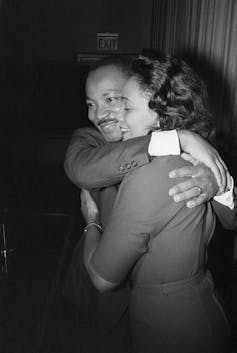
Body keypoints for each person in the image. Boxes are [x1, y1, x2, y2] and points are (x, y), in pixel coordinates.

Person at [80, 53, 237, 353]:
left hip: (171, 323)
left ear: (160, 115)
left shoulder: (151, 176)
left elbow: (101, 278)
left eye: (126, 106)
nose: (116, 116)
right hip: (199, 306)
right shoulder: (192, 157)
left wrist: (91, 219)